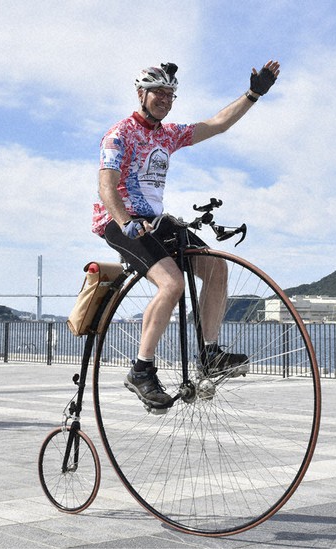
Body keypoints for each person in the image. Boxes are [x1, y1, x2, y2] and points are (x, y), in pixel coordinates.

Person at [92, 60, 280, 409]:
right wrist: (127, 222)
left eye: (169, 94)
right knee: (172, 283)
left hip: (155, 220)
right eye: (158, 93)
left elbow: (215, 124)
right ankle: (142, 369)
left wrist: (254, 94)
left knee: (216, 269)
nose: (164, 99)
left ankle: (209, 354)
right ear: (140, 94)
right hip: (120, 222)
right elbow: (106, 187)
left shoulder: (167, 135)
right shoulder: (119, 134)